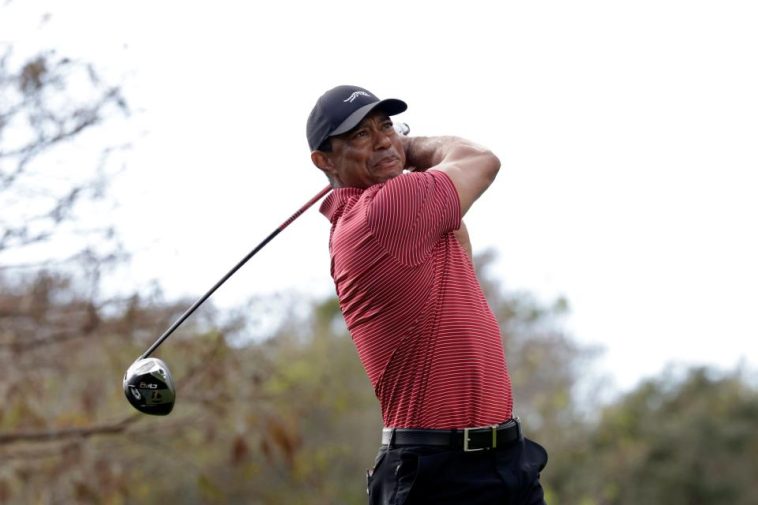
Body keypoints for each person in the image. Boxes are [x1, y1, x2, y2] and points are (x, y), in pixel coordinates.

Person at [306, 85, 548, 505]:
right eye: (361, 134)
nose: (382, 139)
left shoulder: (401, 214)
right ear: (324, 161)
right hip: (441, 475)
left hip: (503, 462)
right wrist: (408, 146)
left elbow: (461, 250)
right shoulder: (383, 213)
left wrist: (386, 153)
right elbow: (480, 159)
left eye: (386, 126)